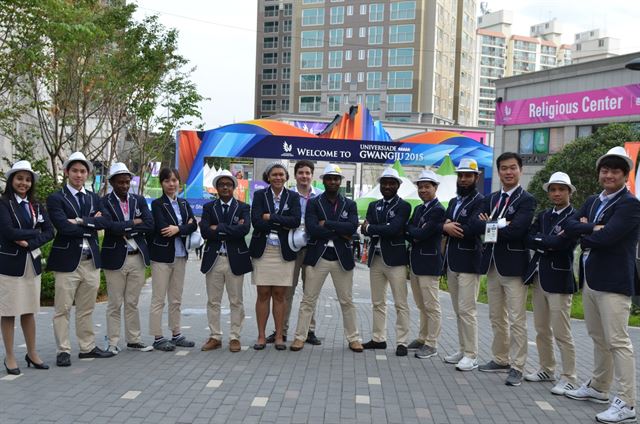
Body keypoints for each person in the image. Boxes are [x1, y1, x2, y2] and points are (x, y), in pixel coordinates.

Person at [563, 147, 640, 424]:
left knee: (618, 341)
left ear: (624, 176)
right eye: (605, 171)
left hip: (614, 281)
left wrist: (591, 230)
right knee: (598, 337)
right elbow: (570, 224)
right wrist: (593, 228)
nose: (608, 175)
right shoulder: (594, 200)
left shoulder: (630, 205)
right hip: (592, 278)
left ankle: (627, 402)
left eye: (615, 171)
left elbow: (607, 238)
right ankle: (599, 387)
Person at [472, 152, 535, 386]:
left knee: (517, 318)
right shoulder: (491, 198)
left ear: (520, 170)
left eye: (513, 168)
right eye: (504, 169)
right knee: (496, 316)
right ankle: (500, 358)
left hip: (514, 266)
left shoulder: (526, 200)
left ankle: (518, 366)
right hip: (492, 264)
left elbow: (517, 230)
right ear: (498, 172)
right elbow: (474, 223)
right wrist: (500, 223)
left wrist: (491, 223)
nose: (508, 172)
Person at [47, 151, 114, 367]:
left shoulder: (94, 197)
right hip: (67, 261)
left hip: (91, 261)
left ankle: (87, 347)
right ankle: (63, 350)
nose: (78, 175)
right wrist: (89, 223)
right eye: (74, 170)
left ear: (88, 174)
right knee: (62, 308)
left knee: (87, 308)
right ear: (67, 172)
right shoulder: (56, 198)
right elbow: (63, 227)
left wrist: (78, 220)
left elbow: (106, 222)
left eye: (83, 171)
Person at [289, 164, 363, 353]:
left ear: (340, 181)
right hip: (317, 256)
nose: (332, 181)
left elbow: (352, 227)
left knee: (347, 300)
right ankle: (300, 337)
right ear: (323, 180)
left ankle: (353, 338)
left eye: (336, 178)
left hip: (341, 258)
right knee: (308, 299)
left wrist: (328, 224)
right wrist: (341, 230)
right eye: (329, 178)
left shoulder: (350, 204)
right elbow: (313, 229)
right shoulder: (314, 202)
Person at [522, 172, 579, 395]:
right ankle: (547, 368)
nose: (556, 193)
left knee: (562, 332)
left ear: (569, 192)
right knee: (541, 329)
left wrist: (542, 242)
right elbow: (529, 237)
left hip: (559, 279)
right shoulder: (545, 215)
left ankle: (570, 376)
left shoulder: (573, 217)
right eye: (553, 189)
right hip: (538, 277)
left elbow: (562, 244)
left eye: (561, 189)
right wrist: (546, 242)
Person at [0, 161, 54, 374]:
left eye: (28, 179)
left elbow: (50, 232)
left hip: (31, 264)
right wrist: (35, 232)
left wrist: (31, 241)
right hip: (9, 264)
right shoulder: (4, 203)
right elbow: (8, 232)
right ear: (11, 179)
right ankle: (10, 356)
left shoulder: (37, 205)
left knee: (29, 311)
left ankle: (32, 353)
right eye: (19, 178)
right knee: (8, 312)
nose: (24, 183)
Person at [101, 163, 155, 354]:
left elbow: (149, 224)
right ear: (112, 182)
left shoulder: (138, 200)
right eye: (120, 182)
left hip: (137, 258)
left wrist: (124, 226)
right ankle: (113, 342)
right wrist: (134, 222)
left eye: (127, 182)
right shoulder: (105, 201)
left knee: (132, 302)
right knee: (114, 303)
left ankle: (134, 339)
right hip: (115, 257)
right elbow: (110, 227)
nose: (124, 185)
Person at [249, 162, 301, 350]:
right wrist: (281, 223)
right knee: (263, 294)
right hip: (263, 251)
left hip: (283, 251)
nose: (278, 178)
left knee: (280, 295)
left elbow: (295, 221)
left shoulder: (293, 197)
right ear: (268, 177)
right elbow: (256, 221)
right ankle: (261, 336)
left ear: (286, 177)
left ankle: (279, 336)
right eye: (274, 175)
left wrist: (270, 217)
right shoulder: (259, 195)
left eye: (281, 175)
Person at [439, 158, 484, 371]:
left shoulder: (481, 201)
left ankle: (472, 354)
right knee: (458, 310)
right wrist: (446, 226)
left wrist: (450, 227)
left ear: (476, 177)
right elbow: (446, 224)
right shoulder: (453, 201)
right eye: (461, 175)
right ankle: (462, 348)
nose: (463, 179)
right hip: (452, 261)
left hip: (469, 262)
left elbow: (473, 228)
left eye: (468, 175)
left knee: (468, 310)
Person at [361, 167, 412, 356]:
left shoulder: (404, 206)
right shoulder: (374, 205)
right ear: (380, 185)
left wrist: (373, 227)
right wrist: (380, 228)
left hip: (396, 260)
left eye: (391, 183)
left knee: (400, 303)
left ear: (398, 185)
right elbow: (365, 230)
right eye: (384, 183)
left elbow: (395, 228)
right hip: (376, 258)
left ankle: (402, 342)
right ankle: (378, 338)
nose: (388, 186)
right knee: (377, 302)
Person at [199, 170, 251, 353]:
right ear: (217, 188)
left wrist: (218, 228)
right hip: (214, 259)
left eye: (229, 184)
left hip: (234, 259)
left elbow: (244, 230)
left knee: (236, 300)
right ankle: (215, 336)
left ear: (234, 187)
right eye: (221, 185)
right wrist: (230, 228)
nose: (225, 187)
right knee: (213, 301)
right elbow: (205, 231)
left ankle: (235, 337)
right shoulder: (208, 208)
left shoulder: (244, 207)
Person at [273, 160, 323, 345]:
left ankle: (309, 331)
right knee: (287, 291)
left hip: (312, 248)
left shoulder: (320, 196)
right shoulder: (288, 196)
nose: (304, 176)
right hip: (291, 248)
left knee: (310, 292)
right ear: (295, 176)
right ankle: (281, 331)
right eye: (301, 172)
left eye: (307, 173)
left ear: (312, 175)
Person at [148, 167, 198, 351]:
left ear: (179, 182)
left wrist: (178, 229)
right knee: (158, 298)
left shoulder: (184, 204)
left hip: (180, 255)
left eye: (175, 180)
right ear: (161, 183)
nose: (172, 184)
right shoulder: (157, 204)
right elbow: (163, 228)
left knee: (176, 298)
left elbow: (193, 225)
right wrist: (185, 226)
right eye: (167, 180)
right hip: (162, 257)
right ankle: (158, 337)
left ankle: (176, 333)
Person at [406, 170, 445, 359]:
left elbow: (422, 233)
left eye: (427, 187)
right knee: (421, 305)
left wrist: (415, 231)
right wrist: (415, 231)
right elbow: (410, 229)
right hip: (416, 262)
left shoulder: (438, 210)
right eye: (420, 187)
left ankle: (432, 342)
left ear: (435, 188)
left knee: (431, 305)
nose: (423, 190)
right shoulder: (419, 209)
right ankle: (422, 337)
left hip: (429, 263)